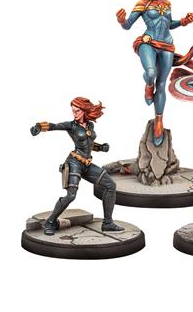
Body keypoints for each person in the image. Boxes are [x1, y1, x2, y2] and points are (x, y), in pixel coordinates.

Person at [116, 0, 193, 146]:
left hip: (167, 44)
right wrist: (121, 21)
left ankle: (159, 120)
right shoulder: (142, 4)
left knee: (162, 84)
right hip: (148, 41)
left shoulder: (167, 4)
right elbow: (128, 25)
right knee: (151, 72)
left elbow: (168, 25)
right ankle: (148, 85)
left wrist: (183, 22)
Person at [30, 97, 124, 235]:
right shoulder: (71, 126)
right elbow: (54, 126)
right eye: (73, 111)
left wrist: (100, 147)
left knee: (110, 185)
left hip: (87, 164)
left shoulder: (90, 126)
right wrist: (39, 126)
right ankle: (50, 222)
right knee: (71, 196)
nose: (74, 113)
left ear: (84, 110)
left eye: (77, 111)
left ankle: (108, 223)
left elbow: (88, 144)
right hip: (74, 163)